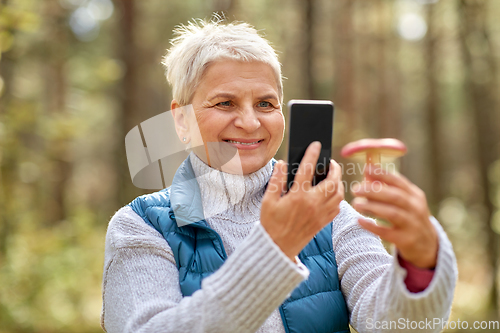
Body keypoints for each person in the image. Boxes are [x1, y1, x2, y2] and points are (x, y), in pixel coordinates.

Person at [100, 17, 457, 333]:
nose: (251, 122)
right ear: (181, 120)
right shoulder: (141, 226)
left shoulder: (327, 213)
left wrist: (421, 261)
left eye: (265, 104)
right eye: (225, 103)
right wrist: (276, 249)